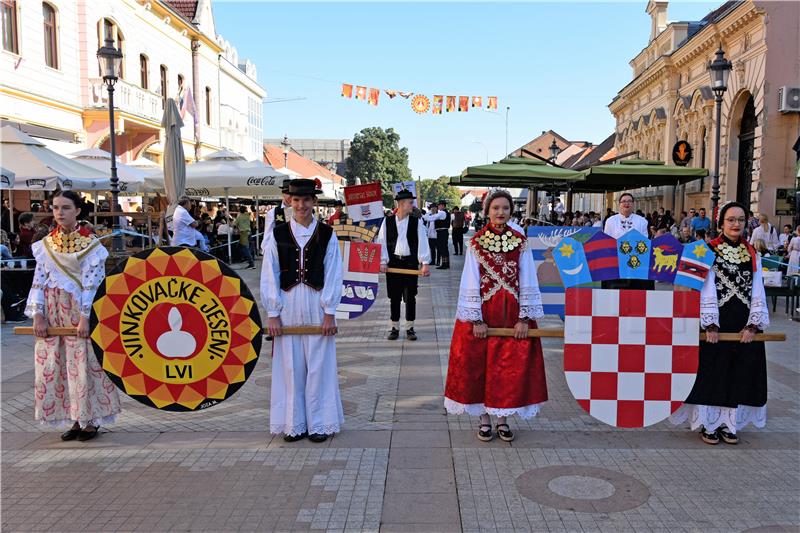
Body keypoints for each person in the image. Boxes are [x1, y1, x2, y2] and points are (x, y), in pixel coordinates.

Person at [444, 189, 547, 442]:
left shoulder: (520, 240)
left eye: (505, 208)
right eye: (496, 208)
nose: (501, 212)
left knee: (509, 366)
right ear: (487, 211)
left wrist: (524, 318)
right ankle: (484, 419)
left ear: (511, 211)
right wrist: (476, 319)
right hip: (484, 313)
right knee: (478, 364)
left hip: (512, 313)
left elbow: (527, 278)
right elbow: (470, 279)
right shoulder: (477, 242)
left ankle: (502, 418)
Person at [25, 190, 121, 441]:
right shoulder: (45, 245)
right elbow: (39, 280)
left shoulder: (91, 245)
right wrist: (38, 315)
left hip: (79, 310)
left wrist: (86, 317)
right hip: (53, 311)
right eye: (55, 207)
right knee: (56, 365)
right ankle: (74, 419)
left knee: (84, 364)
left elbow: (93, 283)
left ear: (78, 210)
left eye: (65, 207)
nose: (59, 213)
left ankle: (90, 420)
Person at [671, 201, 769, 445]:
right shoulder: (706, 250)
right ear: (721, 223)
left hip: (742, 322)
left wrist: (753, 324)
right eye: (731, 220)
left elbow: (758, 288)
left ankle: (730, 424)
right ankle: (709, 423)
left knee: (739, 373)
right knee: (713, 372)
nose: (736, 224)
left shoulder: (753, 253)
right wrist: (710, 324)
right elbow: (701, 288)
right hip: (715, 321)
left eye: (741, 220)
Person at [261, 179, 344, 443]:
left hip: (317, 304)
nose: (301, 205)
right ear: (289, 201)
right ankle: (294, 422)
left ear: (314, 202)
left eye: (306, 200)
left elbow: (333, 273)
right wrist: (273, 312)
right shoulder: (277, 234)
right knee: (290, 367)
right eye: (296, 200)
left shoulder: (328, 234)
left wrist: (330, 310)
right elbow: (269, 274)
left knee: (319, 367)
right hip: (287, 306)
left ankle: (319, 423)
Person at [377, 189, 431, 341]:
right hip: (393, 263)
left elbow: (422, 241)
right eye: (410, 203)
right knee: (394, 296)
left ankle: (409, 328)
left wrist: (425, 262)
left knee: (410, 297)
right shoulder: (387, 222)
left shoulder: (416, 222)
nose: (412, 206)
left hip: (409, 263)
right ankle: (394, 327)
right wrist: (383, 261)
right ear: (401, 204)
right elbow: (381, 242)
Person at [602, 192, 653, 289]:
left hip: (636, 264)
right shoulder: (611, 221)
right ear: (619, 204)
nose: (627, 203)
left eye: (629, 201)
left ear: (633, 204)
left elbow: (644, 241)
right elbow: (607, 241)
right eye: (624, 201)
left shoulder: (642, 221)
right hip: (616, 262)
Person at [261, 184, 292, 253]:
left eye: (292, 193)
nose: (290, 196)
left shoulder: (302, 212)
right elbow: (268, 235)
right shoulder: (272, 213)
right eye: (287, 193)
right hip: (279, 252)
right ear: (283, 193)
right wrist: (266, 252)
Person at [430, 199, 451, 269]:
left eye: (438, 205)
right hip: (441, 232)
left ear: (442, 205)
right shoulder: (443, 212)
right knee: (443, 248)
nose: (438, 207)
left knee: (443, 248)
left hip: (442, 232)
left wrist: (425, 216)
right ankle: (445, 263)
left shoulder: (442, 213)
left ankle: (445, 264)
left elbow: (433, 218)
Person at [234, 205, 255, 269]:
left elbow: (234, 224)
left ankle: (250, 262)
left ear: (240, 210)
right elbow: (252, 219)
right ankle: (248, 258)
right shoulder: (247, 215)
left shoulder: (239, 217)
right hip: (249, 232)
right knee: (242, 246)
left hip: (244, 234)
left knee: (245, 248)